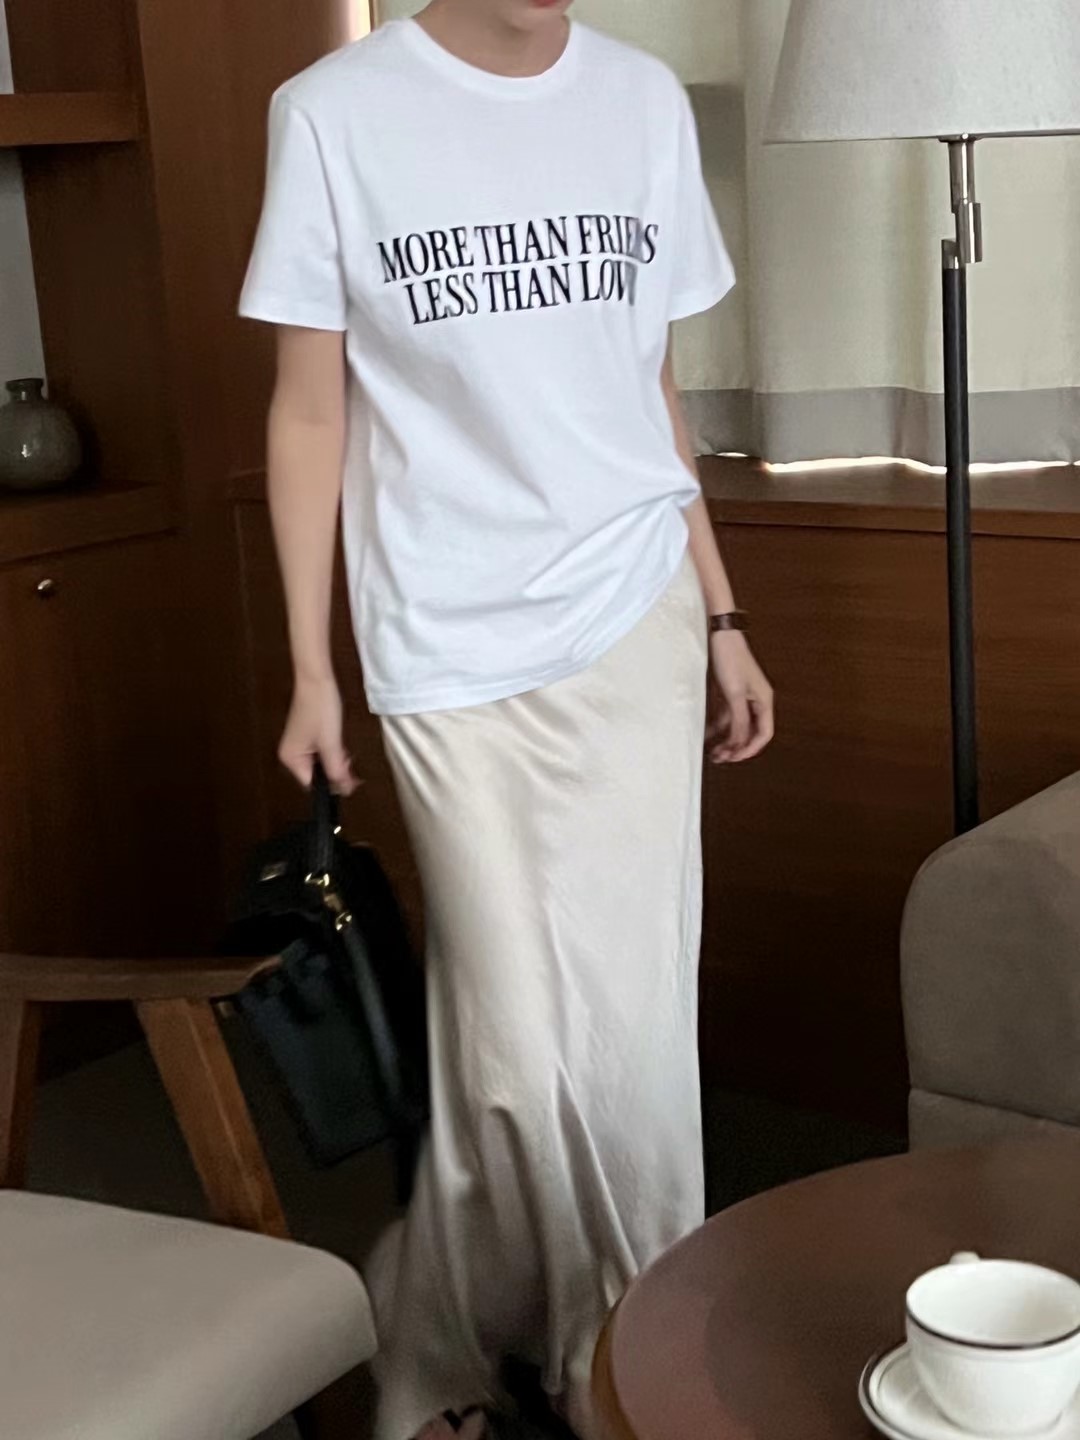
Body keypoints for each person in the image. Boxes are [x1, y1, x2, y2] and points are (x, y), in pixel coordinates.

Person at [240, 0, 774, 1436]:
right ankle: (453, 1330)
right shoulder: (334, 115)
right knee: (516, 1058)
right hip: (446, 637)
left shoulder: (642, 100)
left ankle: (615, 1355)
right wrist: (310, 664)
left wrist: (721, 615)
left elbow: (650, 391)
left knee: (635, 1046)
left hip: (635, 617)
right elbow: (308, 413)